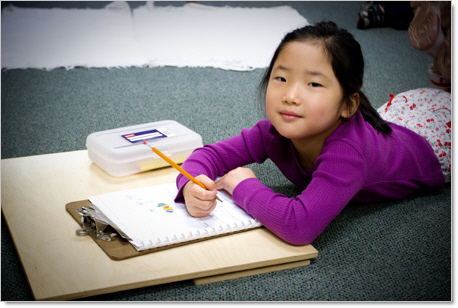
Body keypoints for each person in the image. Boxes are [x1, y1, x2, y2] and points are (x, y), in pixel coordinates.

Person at [174, 21, 447, 246]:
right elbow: (207, 155)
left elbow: (298, 226)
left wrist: (243, 185)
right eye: (281, 78)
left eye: (313, 83)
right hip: (402, 116)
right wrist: (190, 185)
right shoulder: (273, 132)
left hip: (438, 140)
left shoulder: (348, 154)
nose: (290, 96)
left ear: (348, 104)